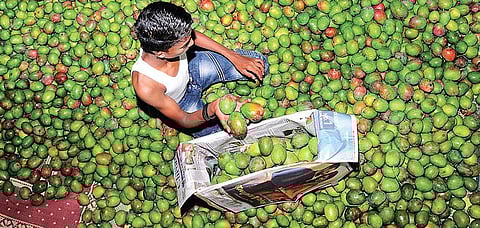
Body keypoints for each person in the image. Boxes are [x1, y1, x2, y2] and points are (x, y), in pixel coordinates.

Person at [131, 1, 269, 137]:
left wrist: (233, 56)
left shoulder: (175, 37)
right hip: (183, 103)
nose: (192, 43)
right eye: (184, 45)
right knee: (224, 136)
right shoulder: (146, 86)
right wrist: (213, 108)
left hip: (194, 67)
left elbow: (191, 38)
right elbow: (184, 119)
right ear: (161, 53)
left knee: (260, 64)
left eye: (190, 37)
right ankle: (165, 117)